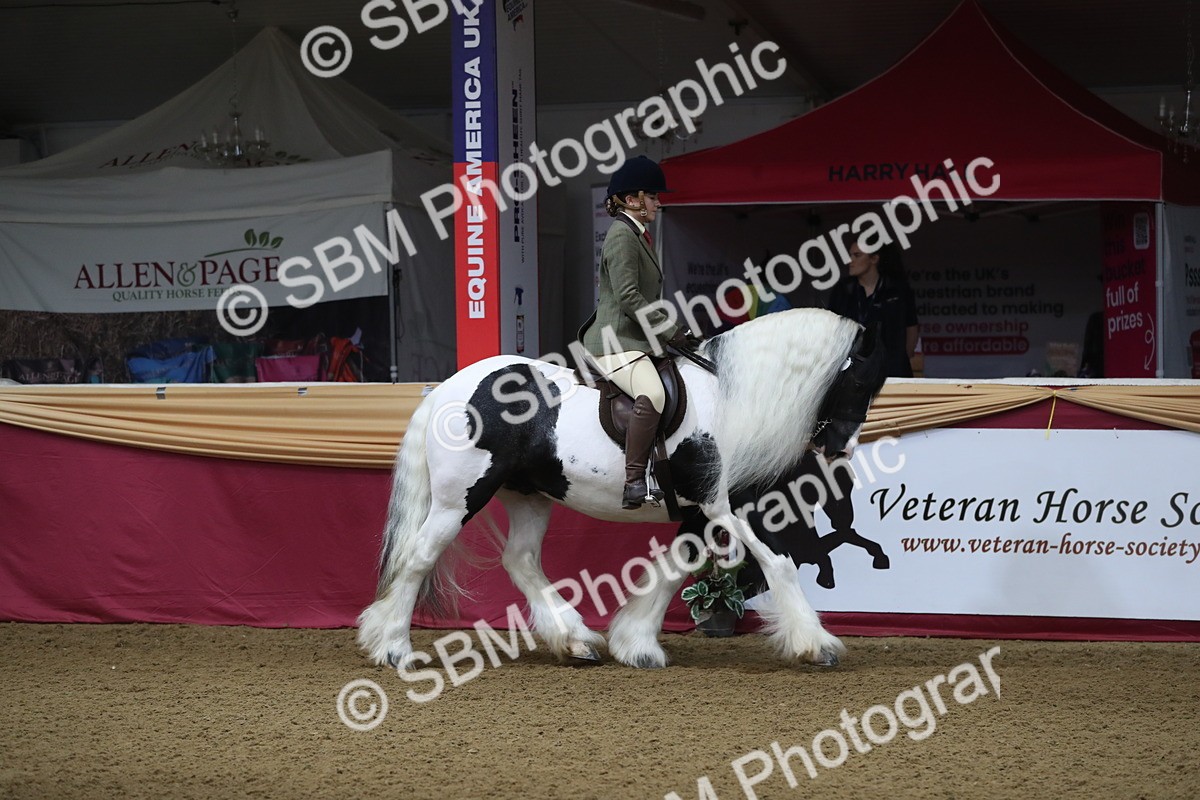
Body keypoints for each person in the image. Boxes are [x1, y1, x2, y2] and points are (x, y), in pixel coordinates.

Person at [578, 155, 695, 509]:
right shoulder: (621, 236)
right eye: (653, 196)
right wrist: (668, 330)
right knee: (654, 394)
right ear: (632, 200)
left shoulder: (637, 234)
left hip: (634, 338)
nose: (659, 202)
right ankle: (633, 481)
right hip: (614, 340)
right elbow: (628, 295)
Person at [827, 239, 919, 378]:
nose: (850, 260)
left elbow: (911, 327)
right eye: (850, 255)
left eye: (857, 255)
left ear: (874, 258)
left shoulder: (897, 289)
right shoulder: (843, 289)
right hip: (852, 371)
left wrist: (901, 358)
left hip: (892, 370)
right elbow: (831, 328)